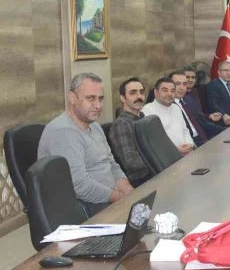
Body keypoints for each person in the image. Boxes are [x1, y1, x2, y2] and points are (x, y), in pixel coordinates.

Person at [38, 73, 134, 216]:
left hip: (110, 197)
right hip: (86, 206)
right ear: (72, 98)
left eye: (100, 99)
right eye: (91, 98)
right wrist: (120, 198)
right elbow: (80, 186)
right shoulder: (64, 132)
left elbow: (111, 163)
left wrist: (128, 191)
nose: (98, 105)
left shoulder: (94, 126)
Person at [108, 77, 152, 187]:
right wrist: (157, 158)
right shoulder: (121, 124)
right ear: (123, 98)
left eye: (141, 92)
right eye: (133, 93)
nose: (139, 96)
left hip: (155, 171)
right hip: (142, 179)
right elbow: (131, 162)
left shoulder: (143, 118)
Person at [142, 77, 195, 155]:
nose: (169, 94)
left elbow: (185, 130)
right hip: (167, 157)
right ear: (156, 92)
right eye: (165, 90)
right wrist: (175, 150)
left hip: (187, 153)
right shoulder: (147, 110)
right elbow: (153, 142)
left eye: (172, 91)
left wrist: (189, 144)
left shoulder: (176, 107)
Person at [170, 71, 212, 147]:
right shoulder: (168, 107)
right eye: (177, 84)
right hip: (188, 144)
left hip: (203, 139)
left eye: (184, 84)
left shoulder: (189, 99)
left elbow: (202, 122)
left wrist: (224, 130)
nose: (182, 88)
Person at [181, 65, 224, 138]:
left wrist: (210, 116)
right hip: (195, 133)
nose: (191, 80)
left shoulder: (194, 91)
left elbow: (198, 114)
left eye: (193, 77)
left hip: (205, 126)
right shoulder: (180, 96)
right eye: (187, 77)